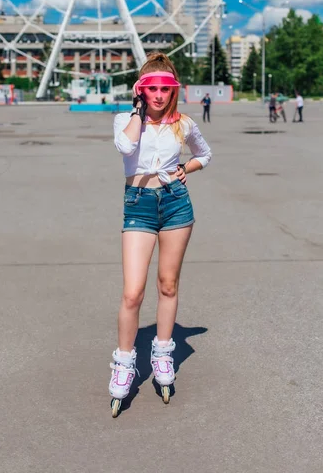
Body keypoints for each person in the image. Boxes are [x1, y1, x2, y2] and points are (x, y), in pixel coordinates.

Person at [109, 52, 212, 417]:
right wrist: (137, 111)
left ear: (174, 91)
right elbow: (125, 147)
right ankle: (124, 364)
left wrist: (187, 167)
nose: (157, 94)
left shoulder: (183, 123)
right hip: (138, 203)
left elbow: (206, 153)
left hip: (175, 204)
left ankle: (163, 353)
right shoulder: (125, 119)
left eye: (164, 88)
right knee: (132, 291)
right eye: (150, 87)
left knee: (168, 284)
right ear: (140, 90)